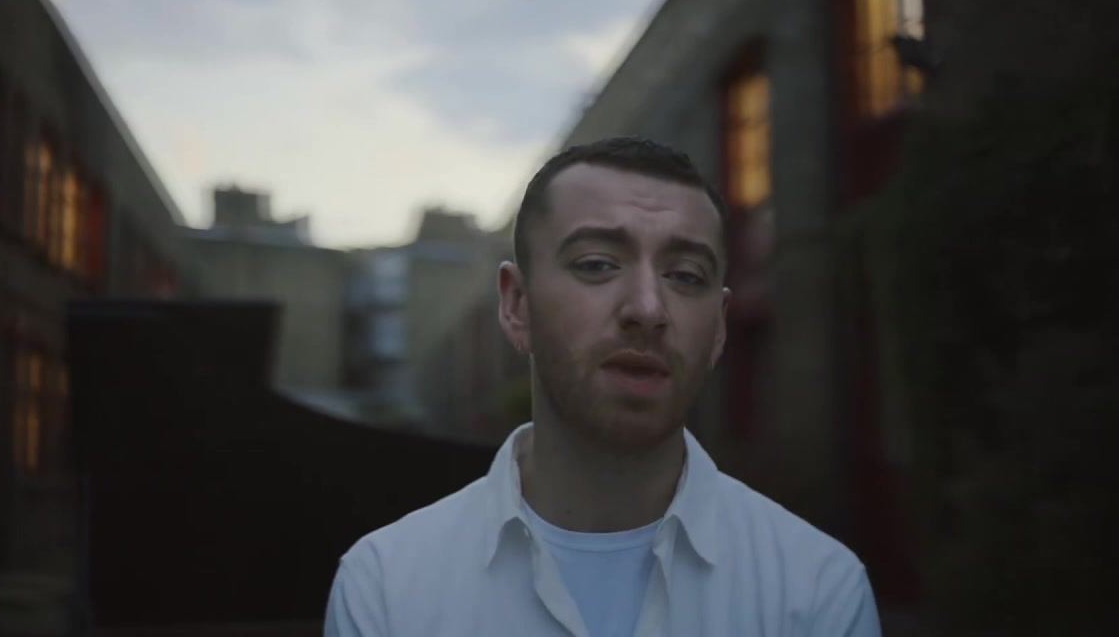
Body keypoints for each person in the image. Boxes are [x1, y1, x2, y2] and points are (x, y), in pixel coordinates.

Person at [324, 137, 881, 636]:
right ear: (517, 306)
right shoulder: (388, 586)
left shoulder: (815, 590)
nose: (648, 308)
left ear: (718, 328)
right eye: (596, 264)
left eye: (685, 275)